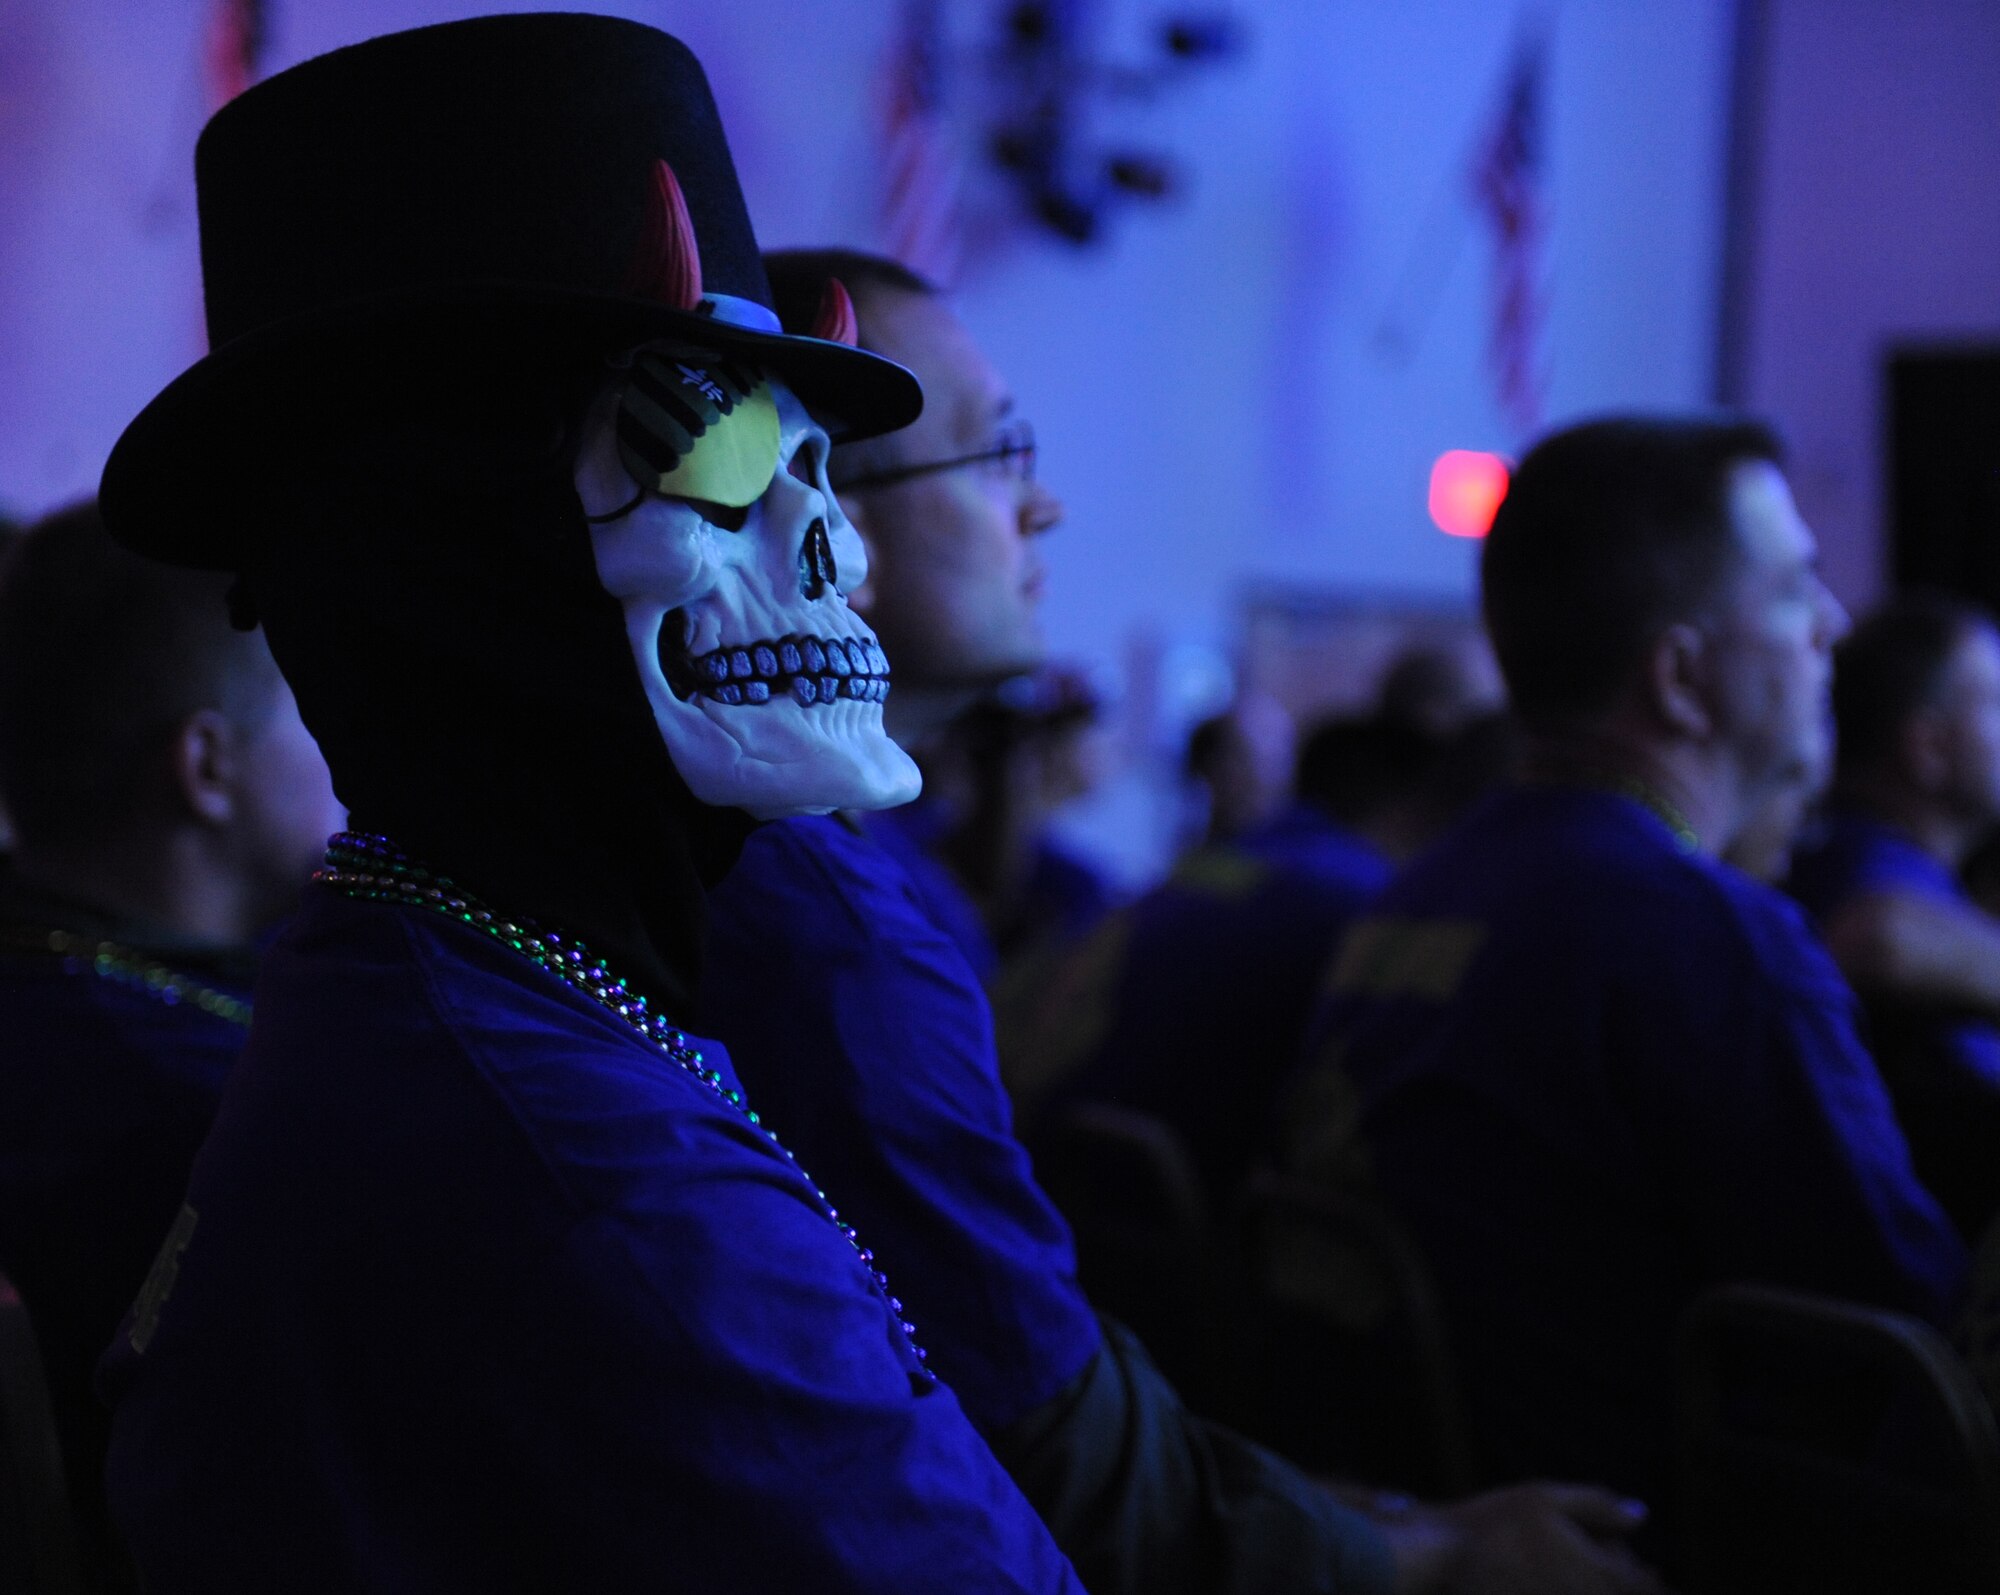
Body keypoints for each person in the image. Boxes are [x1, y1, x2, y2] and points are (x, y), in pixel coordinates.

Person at [92, 19, 1086, 1590]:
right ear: (456, 552)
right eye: (716, 442)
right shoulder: (608, 1183)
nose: (829, 549)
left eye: (816, 460)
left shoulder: (432, 988)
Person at [704, 249, 1667, 1595]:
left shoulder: (806, 870)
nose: (1043, 503)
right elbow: (1049, 1445)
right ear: (825, 519)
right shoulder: (829, 924)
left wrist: (1351, 1512)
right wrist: (1429, 1557)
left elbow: (1029, 1391)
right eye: (997, 454)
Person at [1300, 417, 1966, 1540]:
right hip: (1621, 1536)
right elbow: (1917, 1349)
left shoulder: (1415, 889)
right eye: (1796, 589)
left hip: (1406, 1503)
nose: (1831, 627)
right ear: (1682, 677)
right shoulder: (1702, 935)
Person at [0, 500, 341, 1587]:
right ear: (206, 765)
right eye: (310, 701)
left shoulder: (52, 973)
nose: (352, 743)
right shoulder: (180, 1110)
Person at [1788, 593, 2000, 1238]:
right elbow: (1877, 937)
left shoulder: (1878, 860)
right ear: (1928, 747)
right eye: (1995, 703)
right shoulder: (1865, 866)